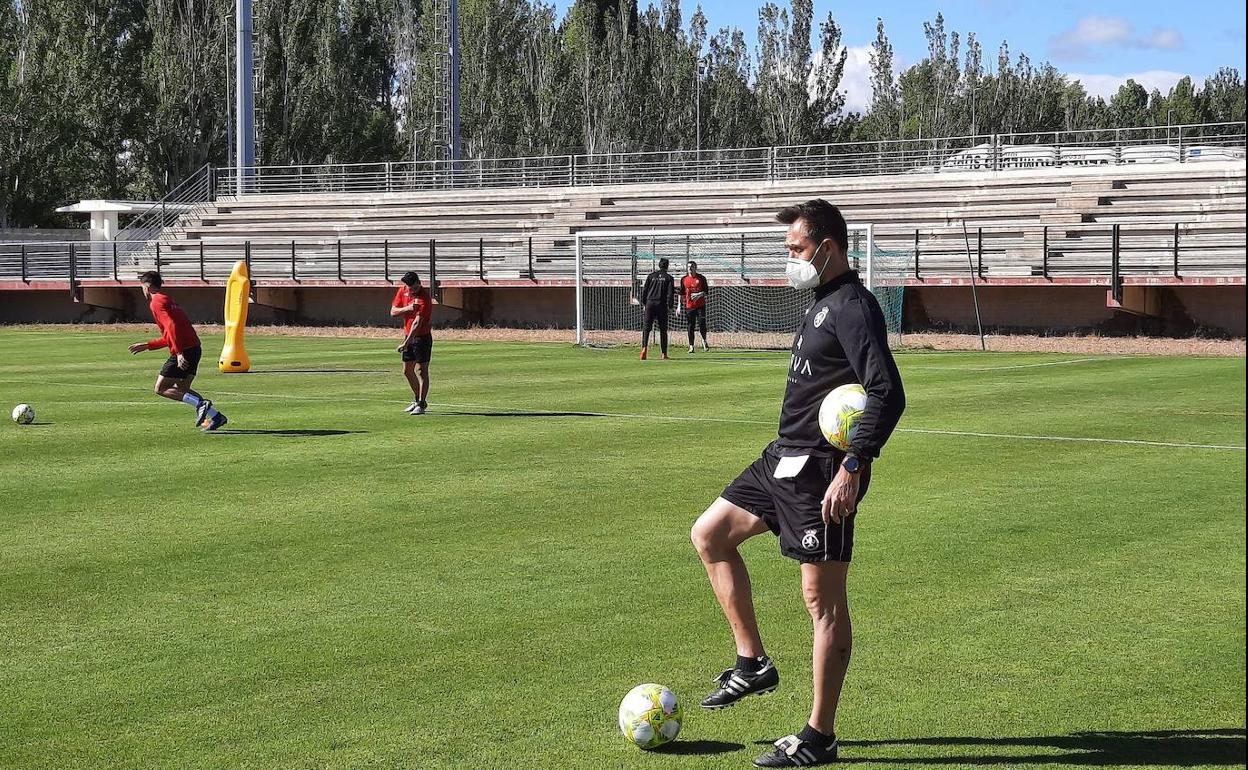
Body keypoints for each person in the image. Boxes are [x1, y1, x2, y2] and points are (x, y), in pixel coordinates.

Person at [689, 200, 906, 768]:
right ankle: (753, 663)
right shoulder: (821, 303)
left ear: (827, 247)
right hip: (780, 458)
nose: (790, 260)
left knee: (821, 601)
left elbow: (887, 392)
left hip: (821, 474)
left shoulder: (855, 307)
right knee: (710, 535)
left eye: (796, 249)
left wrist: (854, 468)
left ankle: (819, 735)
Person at [127, 271, 227, 431]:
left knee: (160, 388)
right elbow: (171, 334)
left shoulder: (156, 302)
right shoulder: (167, 300)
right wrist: (148, 345)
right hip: (194, 348)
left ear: (147, 286)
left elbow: (171, 327)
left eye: (141, 287)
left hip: (185, 350)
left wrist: (179, 353)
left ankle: (201, 404)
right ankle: (216, 417)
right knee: (183, 389)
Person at [391, 271, 433, 414]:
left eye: (414, 287)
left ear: (418, 283)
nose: (411, 289)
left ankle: (421, 404)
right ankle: (417, 400)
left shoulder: (424, 297)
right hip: (408, 335)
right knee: (407, 371)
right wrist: (408, 308)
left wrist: (406, 343)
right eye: (409, 287)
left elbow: (417, 323)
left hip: (422, 337)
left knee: (421, 371)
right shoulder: (403, 291)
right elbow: (393, 311)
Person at [638, 257, 676, 360]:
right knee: (663, 330)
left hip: (650, 303)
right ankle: (663, 353)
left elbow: (645, 291)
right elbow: (670, 294)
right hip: (661, 304)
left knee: (646, 328)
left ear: (659, 265)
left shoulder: (651, 276)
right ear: (667, 266)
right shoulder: (669, 278)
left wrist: (644, 303)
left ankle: (644, 349)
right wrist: (671, 306)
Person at [680, 260, 710, 353]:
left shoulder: (701, 278)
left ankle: (704, 340)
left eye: (692, 266)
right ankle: (691, 346)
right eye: (688, 266)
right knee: (690, 326)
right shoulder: (684, 279)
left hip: (700, 306)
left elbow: (706, 291)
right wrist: (678, 306)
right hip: (689, 306)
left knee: (702, 324)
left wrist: (698, 294)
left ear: (695, 268)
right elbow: (681, 293)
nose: (690, 268)